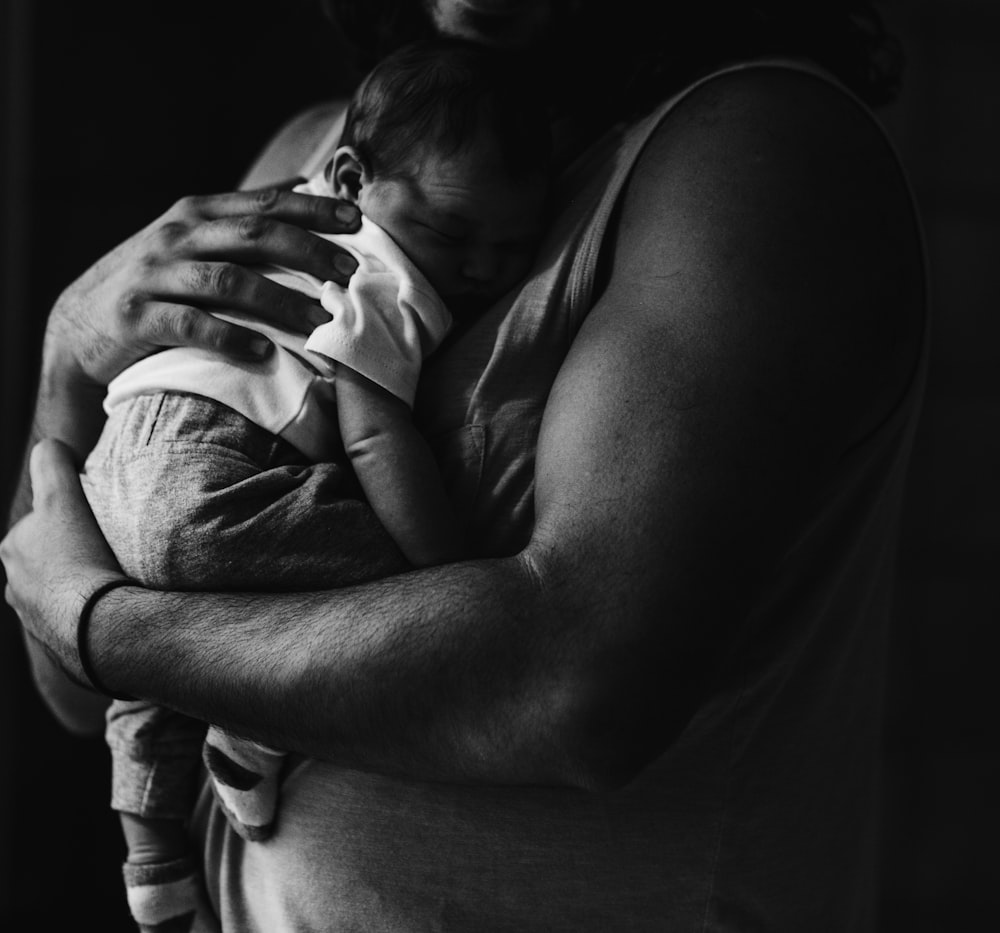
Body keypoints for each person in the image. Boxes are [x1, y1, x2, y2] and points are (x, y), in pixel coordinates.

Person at [2, 1, 927, 930]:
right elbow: (68, 691)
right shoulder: (313, 150)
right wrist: (69, 362)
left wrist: (109, 628)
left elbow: (577, 690)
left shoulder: (755, 155)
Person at [76, 35, 551, 933]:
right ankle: (257, 727)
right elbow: (376, 435)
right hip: (207, 471)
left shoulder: (288, 228)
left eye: (513, 243)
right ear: (350, 177)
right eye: (453, 231)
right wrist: (440, 572)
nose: (482, 269)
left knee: (156, 654)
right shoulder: (382, 272)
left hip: (124, 451)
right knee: (383, 582)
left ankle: (154, 857)